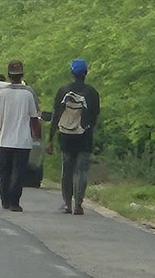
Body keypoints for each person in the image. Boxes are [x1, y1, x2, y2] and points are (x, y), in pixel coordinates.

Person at [47, 59, 101, 216]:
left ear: (72, 73)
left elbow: (56, 116)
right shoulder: (92, 93)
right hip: (84, 135)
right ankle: (79, 204)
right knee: (82, 171)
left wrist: (50, 139)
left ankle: (67, 204)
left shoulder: (63, 91)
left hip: (66, 135)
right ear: (85, 73)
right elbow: (95, 117)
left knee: (67, 170)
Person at [0, 60, 40, 212]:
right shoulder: (29, 93)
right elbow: (34, 118)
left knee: (5, 172)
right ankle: (14, 202)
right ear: (22, 75)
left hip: (4, 139)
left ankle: (5, 200)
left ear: (9, 76)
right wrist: (37, 135)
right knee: (18, 172)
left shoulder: (1, 93)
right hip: (23, 141)